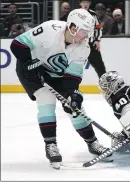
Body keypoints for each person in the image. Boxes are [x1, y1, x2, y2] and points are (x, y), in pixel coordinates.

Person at [10, 9, 110, 169]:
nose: (85, 37)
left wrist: (73, 95)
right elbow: (16, 44)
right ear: (72, 27)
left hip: (56, 74)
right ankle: (51, 145)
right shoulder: (50, 29)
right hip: (30, 71)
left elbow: (72, 78)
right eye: (83, 32)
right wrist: (28, 61)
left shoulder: (83, 47)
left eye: (88, 33)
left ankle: (92, 143)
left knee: (75, 108)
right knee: (46, 99)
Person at [80, 0, 107, 78]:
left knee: (100, 67)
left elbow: (99, 27)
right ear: (80, 3)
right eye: (84, 2)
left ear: (90, 3)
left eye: (87, 2)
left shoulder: (93, 14)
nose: (85, 4)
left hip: (91, 44)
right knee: (72, 66)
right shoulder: (75, 14)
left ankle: (106, 85)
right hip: (78, 45)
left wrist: (97, 40)